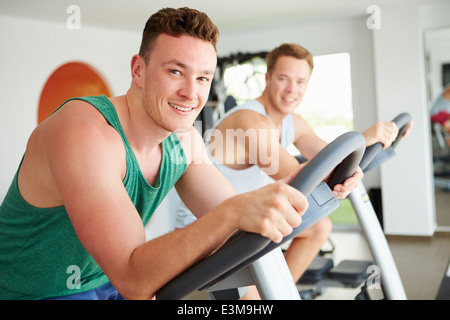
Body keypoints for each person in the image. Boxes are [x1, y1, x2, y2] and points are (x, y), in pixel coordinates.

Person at [0, 8, 311, 300]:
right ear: (139, 70)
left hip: (104, 280)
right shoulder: (84, 134)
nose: (191, 93)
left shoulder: (184, 140)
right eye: (176, 71)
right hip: (36, 291)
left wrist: (300, 191)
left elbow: (237, 223)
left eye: (202, 78)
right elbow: (134, 277)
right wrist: (232, 213)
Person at [176, 43, 405, 299]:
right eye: (283, 79)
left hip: (246, 221)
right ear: (267, 78)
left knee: (319, 227)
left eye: (300, 82)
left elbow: (329, 155)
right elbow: (299, 178)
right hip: (209, 228)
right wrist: (362, 138)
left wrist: (365, 148)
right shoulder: (248, 122)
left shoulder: (292, 122)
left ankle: (279, 295)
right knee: (255, 290)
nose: (291, 90)